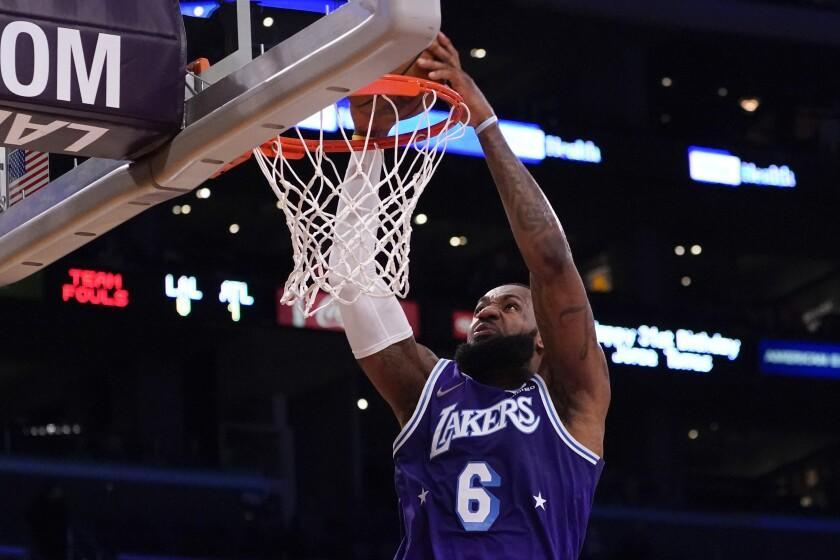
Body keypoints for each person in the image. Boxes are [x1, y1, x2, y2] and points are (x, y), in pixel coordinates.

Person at [336, 32, 611, 560]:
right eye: (485, 304)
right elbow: (354, 284)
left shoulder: (570, 399)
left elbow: (551, 262)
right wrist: (371, 141)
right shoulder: (429, 391)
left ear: (544, 342)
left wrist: (484, 123)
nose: (487, 310)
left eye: (510, 306)